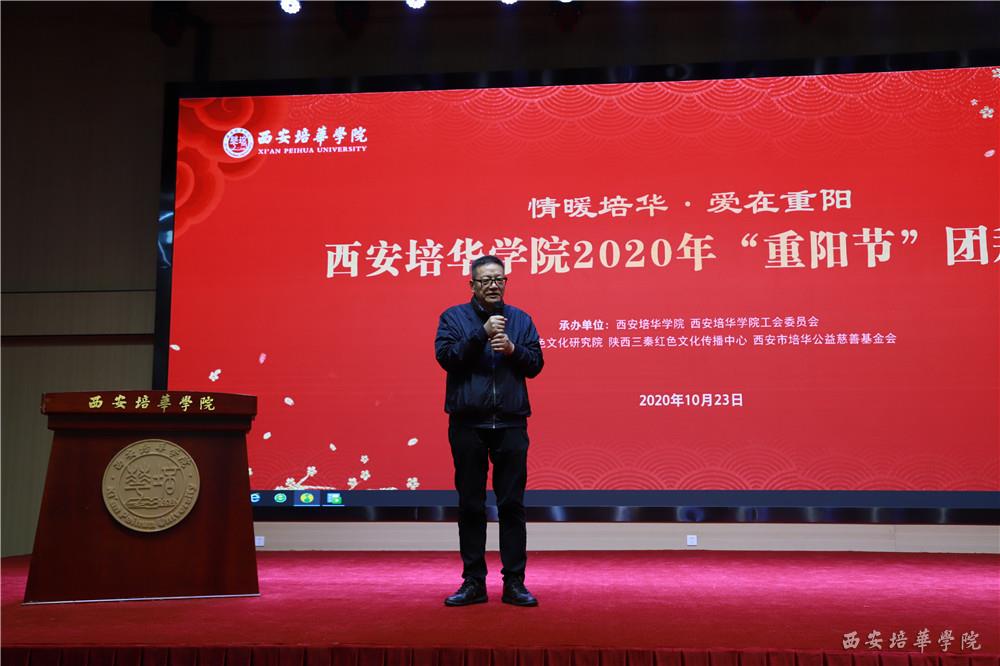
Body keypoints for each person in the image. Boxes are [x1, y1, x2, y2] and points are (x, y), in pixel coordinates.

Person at [434, 255, 545, 607]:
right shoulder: (453, 318)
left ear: (506, 282)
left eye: (499, 279)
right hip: (468, 424)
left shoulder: (521, 319)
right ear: (472, 285)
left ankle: (514, 582)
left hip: (511, 423)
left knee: (512, 505)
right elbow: (447, 358)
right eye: (486, 281)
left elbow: (536, 364)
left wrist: (512, 349)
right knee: (471, 504)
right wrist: (480, 334)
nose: (493, 286)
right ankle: (473, 582)